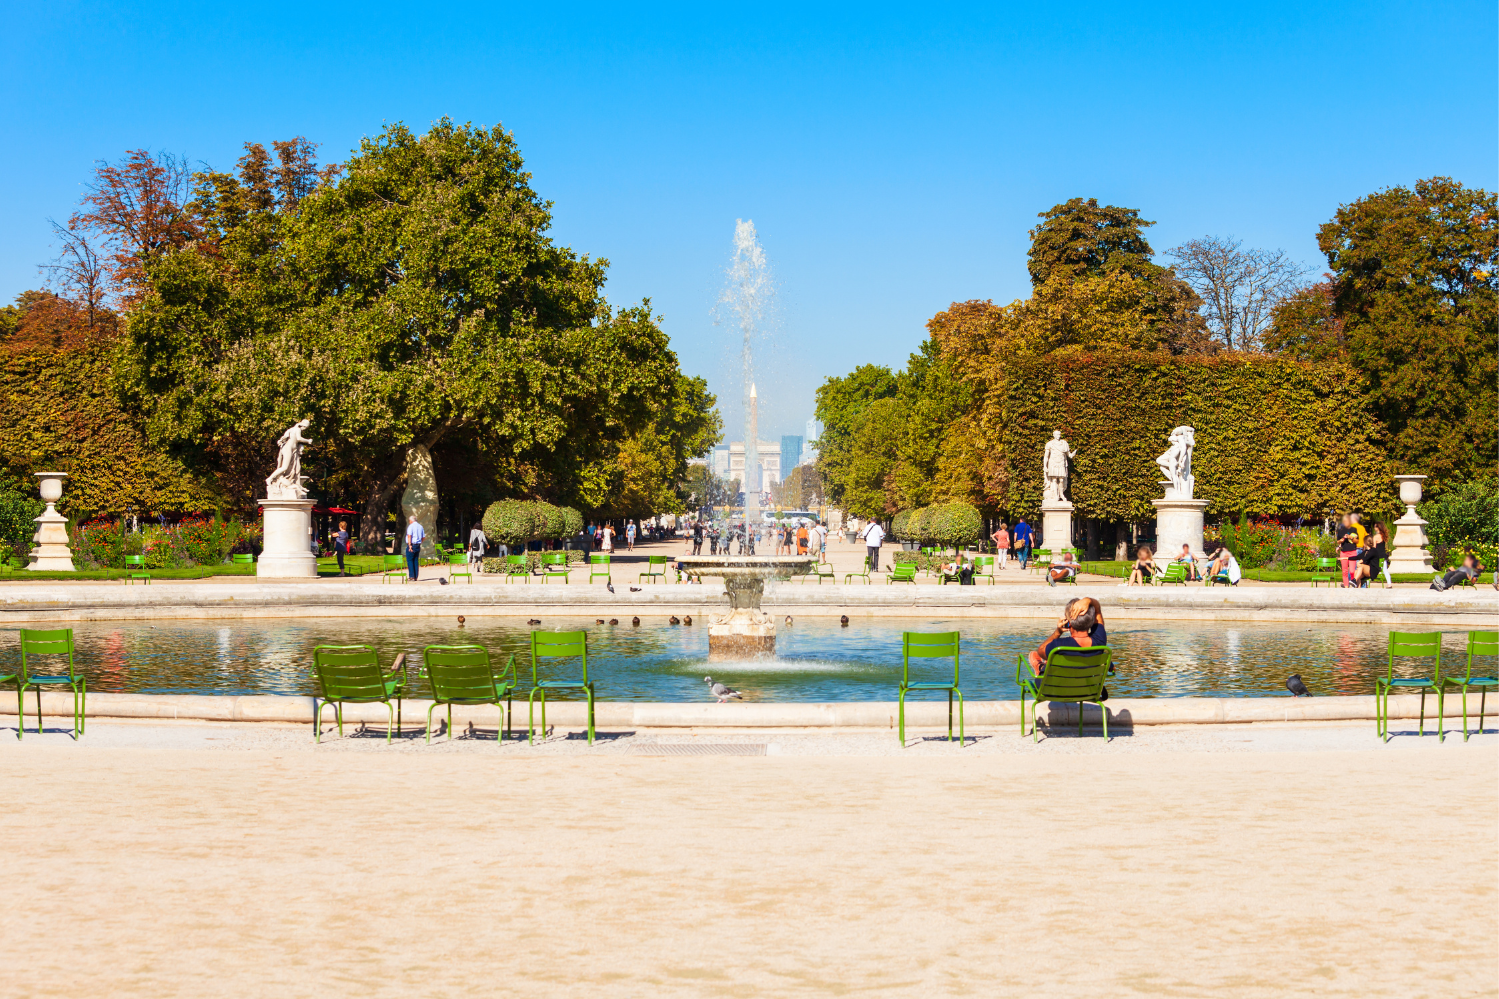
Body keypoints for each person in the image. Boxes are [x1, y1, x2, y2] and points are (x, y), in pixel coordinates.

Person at [1027, 598, 1099, 677]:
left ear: (1068, 622)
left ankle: (1040, 666)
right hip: (1087, 686)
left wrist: (1058, 632)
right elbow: (1098, 612)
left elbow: (1040, 651)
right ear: (1091, 621)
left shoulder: (1058, 645)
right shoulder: (1099, 643)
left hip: (1055, 687)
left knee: (1051, 655)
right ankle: (1047, 662)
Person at [1336, 514, 1362, 588]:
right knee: (1344, 571)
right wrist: (1341, 540)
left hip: (1352, 551)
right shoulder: (1341, 530)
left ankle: (1353, 585)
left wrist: (1351, 537)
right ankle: (1346, 586)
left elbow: (1357, 541)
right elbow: (1338, 541)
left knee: (1352, 571)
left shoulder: (1354, 529)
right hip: (1343, 552)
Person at [403, 514, 424, 582]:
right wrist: (420, 542)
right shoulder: (420, 526)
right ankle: (415, 576)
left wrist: (409, 545)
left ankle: (411, 576)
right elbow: (423, 537)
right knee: (415, 560)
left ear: (411, 521)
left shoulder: (411, 526)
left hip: (412, 544)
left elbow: (409, 536)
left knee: (410, 560)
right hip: (417, 545)